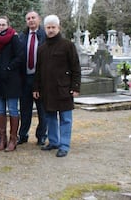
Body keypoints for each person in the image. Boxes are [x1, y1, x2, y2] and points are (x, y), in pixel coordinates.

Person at [33, 15, 81, 157]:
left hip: (64, 88)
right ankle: (53, 141)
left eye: (53, 27)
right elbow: (38, 70)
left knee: (65, 118)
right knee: (50, 117)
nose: (51, 30)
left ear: (58, 28)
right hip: (48, 90)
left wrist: (76, 86)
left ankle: (64, 145)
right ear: (45, 29)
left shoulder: (67, 45)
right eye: (48, 27)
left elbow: (75, 67)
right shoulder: (42, 48)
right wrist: (36, 88)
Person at [0, 16, 23, 151]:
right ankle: (2, 139)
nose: (1, 26)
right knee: (0, 110)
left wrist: (9, 67)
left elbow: (20, 56)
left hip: (11, 81)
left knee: (13, 109)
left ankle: (13, 139)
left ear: (8, 25)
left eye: (3, 24)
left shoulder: (14, 38)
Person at [18, 11, 47, 145]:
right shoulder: (22, 37)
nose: (31, 20)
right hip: (25, 79)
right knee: (25, 109)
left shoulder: (45, 36)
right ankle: (23, 135)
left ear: (39, 19)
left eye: (33, 18)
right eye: (28, 18)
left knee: (42, 110)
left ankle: (41, 135)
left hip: (41, 79)